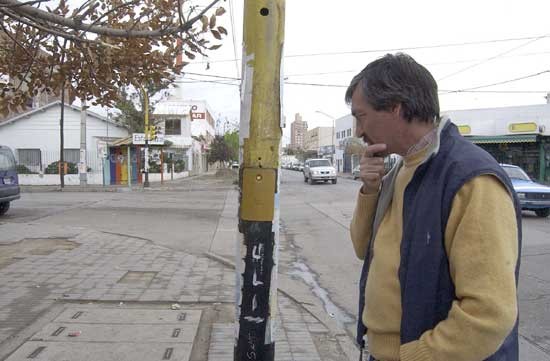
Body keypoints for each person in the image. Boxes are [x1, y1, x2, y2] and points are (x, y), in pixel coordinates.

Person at [347, 53, 521, 361]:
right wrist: (370, 191)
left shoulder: (470, 179)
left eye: (361, 116)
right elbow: (364, 248)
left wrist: (414, 356)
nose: (359, 131)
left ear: (395, 108)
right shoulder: (402, 170)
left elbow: (489, 314)